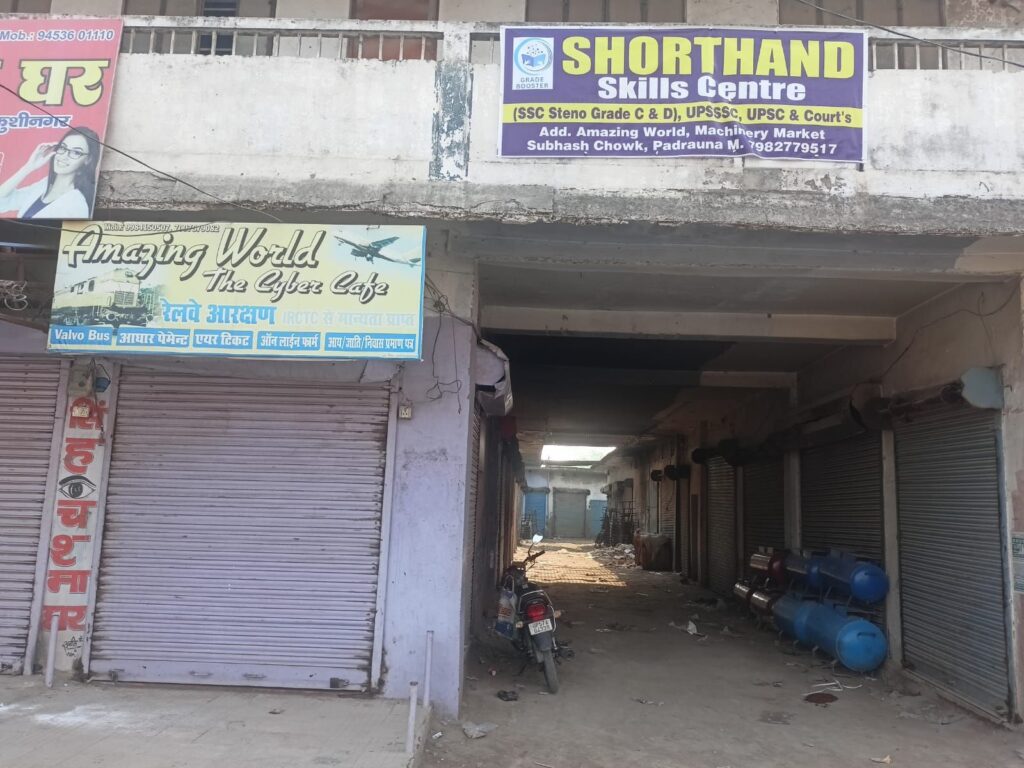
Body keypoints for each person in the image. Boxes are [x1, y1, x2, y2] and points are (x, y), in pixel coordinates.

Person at [0, 126, 100, 219]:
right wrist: (28, 167)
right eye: (63, 148)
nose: (64, 156)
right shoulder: (43, 185)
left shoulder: (76, 205)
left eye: (76, 152)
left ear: (88, 159)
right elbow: (2, 202)